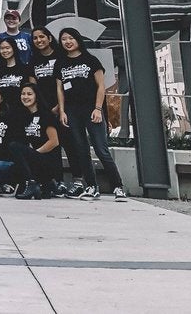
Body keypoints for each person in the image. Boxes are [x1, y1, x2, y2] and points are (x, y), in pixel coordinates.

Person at [55, 28, 126, 201]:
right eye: (63, 39)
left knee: (101, 150)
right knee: (81, 150)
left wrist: (98, 108)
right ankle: (92, 187)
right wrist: (62, 112)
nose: (67, 41)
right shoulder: (60, 63)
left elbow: (101, 86)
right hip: (72, 111)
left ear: (78, 39)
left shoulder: (91, 60)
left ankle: (118, 187)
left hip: (91, 110)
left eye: (71, 37)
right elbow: (60, 89)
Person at [11, 82, 62, 200]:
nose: (25, 97)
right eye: (23, 94)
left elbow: (54, 142)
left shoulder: (46, 115)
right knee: (13, 165)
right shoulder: (23, 116)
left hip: (47, 160)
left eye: (29, 94)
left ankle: (32, 183)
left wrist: (33, 153)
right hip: (35, 160)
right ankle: (47, 184)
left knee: (14, 146)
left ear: (36, 96)